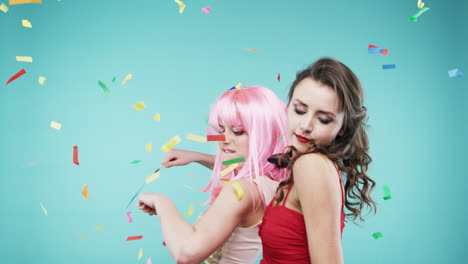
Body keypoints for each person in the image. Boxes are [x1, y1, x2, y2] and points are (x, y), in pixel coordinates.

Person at [137, 85, 290, 264]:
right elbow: (244, 168)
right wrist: (197, 157)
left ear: (266, 134)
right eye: (220, 130)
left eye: (238, 131)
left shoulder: (240, 190)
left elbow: (186, 254)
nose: (224, 139)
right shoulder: (272, 182)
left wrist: (162, 202)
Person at [258, 57, 377, 263]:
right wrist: (200, 158)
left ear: (342, 129)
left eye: (323, 119)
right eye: (299, 110)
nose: (305, 125)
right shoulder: (303, 162)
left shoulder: (311, 165)